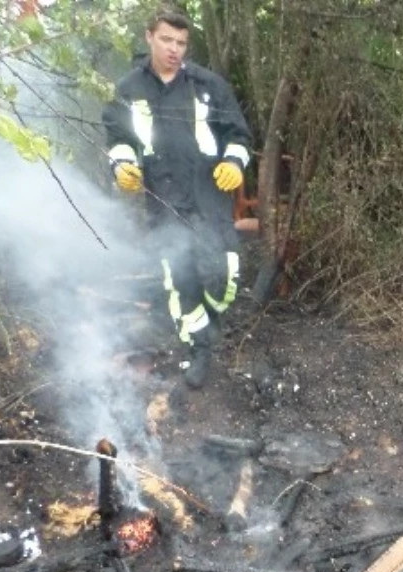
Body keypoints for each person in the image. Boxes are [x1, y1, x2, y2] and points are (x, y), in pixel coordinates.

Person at [103, 7, 252, 389]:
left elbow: (239, 133)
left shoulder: (208, 85)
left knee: (226, 272)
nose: (174, 49)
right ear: (149, 36)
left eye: (182, 43)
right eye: (167, 39)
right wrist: (122, 167)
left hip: (210, 198)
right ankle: (200, 348)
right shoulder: (128, 89)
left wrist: (235, 162)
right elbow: (118, 140)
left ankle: (212, 317)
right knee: (179, 278)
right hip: (164, 201)